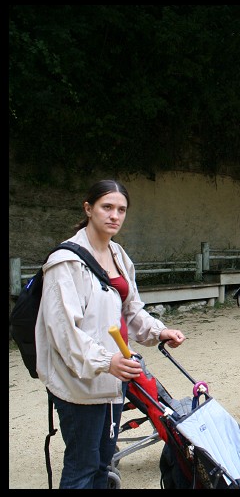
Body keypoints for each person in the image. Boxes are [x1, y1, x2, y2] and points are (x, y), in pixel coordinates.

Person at [35, 179, 186, 489]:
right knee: (82, 468)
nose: (114, 215)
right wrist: (107, 361)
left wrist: (159, 331)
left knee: (104, 464)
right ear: (88, 209)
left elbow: (132, 310)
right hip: (78, 383)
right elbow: (64, 332)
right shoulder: (64, 263)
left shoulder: (118, 255)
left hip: (113, 379)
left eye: (121, 209)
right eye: (107, 207)